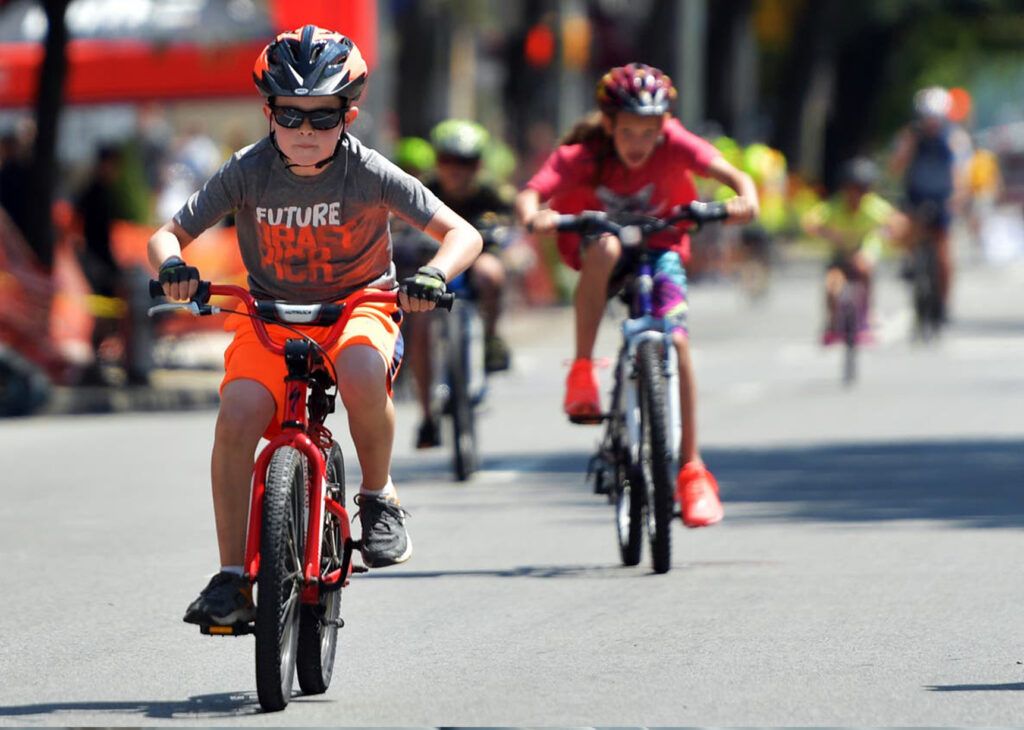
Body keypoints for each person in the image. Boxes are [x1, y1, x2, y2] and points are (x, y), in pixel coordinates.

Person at [148, 25, 482, 626]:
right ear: (268, 113)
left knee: (360, 369)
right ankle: (231, 579)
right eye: (290, 115)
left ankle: (378, 498)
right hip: (268, 316)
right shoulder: (246, 170)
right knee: (238, 415)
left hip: (359, 307)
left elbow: (463, 233)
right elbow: (166, 235)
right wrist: (173, 267)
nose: (305, 130)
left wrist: (434, 274)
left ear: (348, 114)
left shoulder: (369, 170)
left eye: (322, 117)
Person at [515, 63, 758, 528]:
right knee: (606, 246)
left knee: (677, 341)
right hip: (597, 248)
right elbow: (532, 193)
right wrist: (534, 216)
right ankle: (582, 370)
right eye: (628, 131)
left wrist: (745, 198)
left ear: (664, 125)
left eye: (649, 132)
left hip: (661, 247)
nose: (639, 143)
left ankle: (692, 470)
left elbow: (731, 175)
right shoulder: (585, 153)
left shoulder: (676, 143)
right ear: (609, 125)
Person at [403, 119, 514, 449]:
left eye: (465, 162)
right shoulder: (422, 189)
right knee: (420, 328)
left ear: (478, 165)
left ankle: (491, 339)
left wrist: (508, 231)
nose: (455, 170)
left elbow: (515, 216)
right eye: (447, 160)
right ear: (437, 161)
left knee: (491, 273)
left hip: (477, 260)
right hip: (433, 265)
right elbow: (394, 216)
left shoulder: (493, 192)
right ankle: (427, 417)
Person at [802, 157, 908, 344]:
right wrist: (827, 233)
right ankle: (832, 324)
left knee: (864, 266)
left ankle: (867, 315)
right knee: (832, 286)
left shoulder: (873, 207)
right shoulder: (834, 207)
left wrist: (887, 233)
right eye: (852, 189)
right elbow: (810, 222)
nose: (856, 195)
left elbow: (898, 222)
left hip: (863, 250)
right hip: (840, 254)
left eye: (862, 190)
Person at [889, 86, 972, 322]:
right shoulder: (910, 136)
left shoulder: (955, 138)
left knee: (943, 251)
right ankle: (910, 261)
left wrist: (958, 196)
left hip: (943, 196)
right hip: (916, 194)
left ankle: (943, 303)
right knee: (904, 227)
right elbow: (896, 166)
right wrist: (909, 145)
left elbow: (960, 170)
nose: (930, 123)